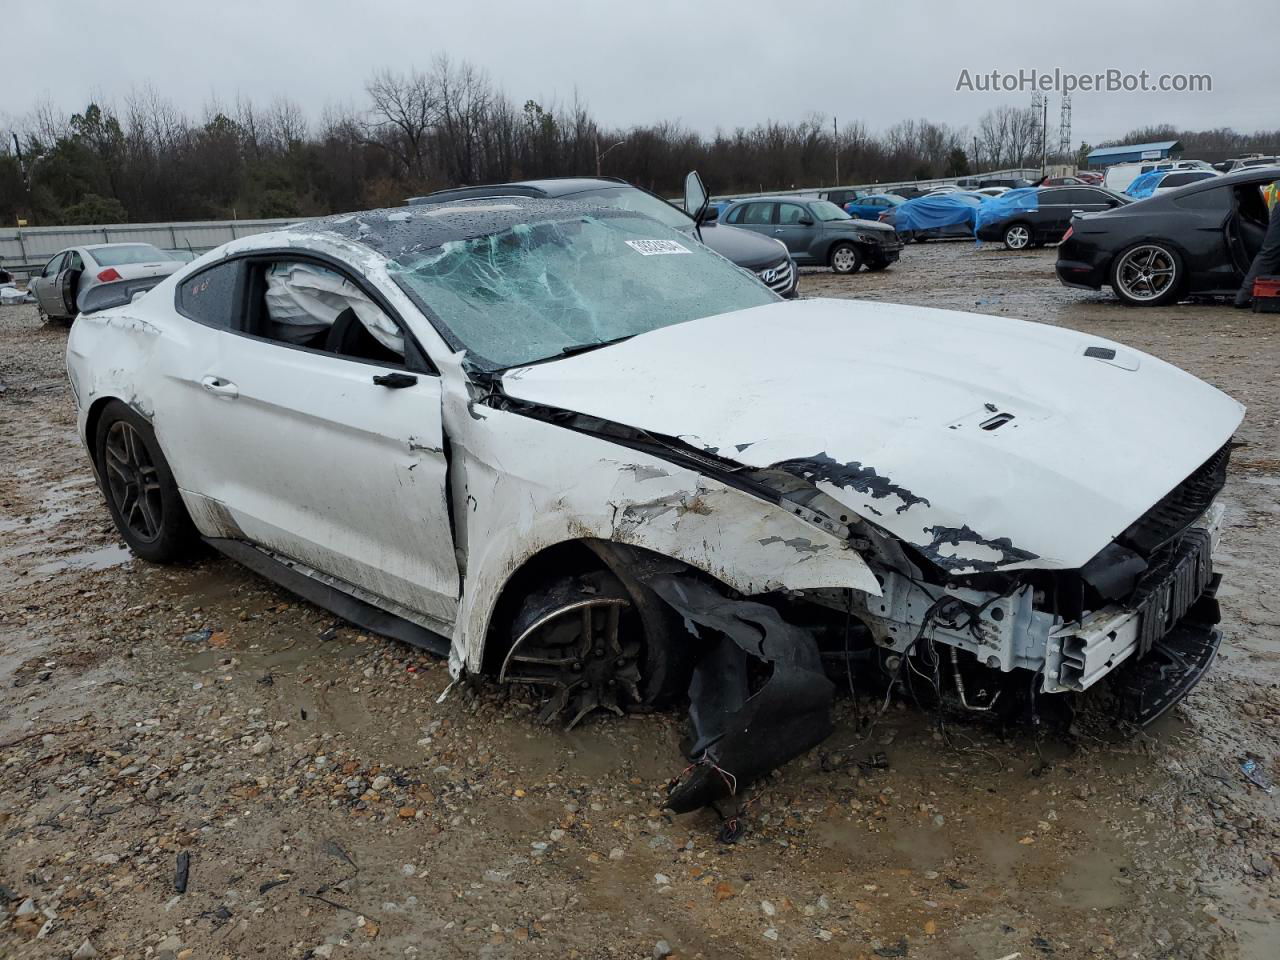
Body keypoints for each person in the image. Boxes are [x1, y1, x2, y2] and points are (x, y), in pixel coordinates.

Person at [1235, 180, 1280, 308]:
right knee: (1268, 254)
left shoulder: (1273, 187)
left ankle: (1243, 296)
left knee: (1267, 255)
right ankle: (1243, 296)